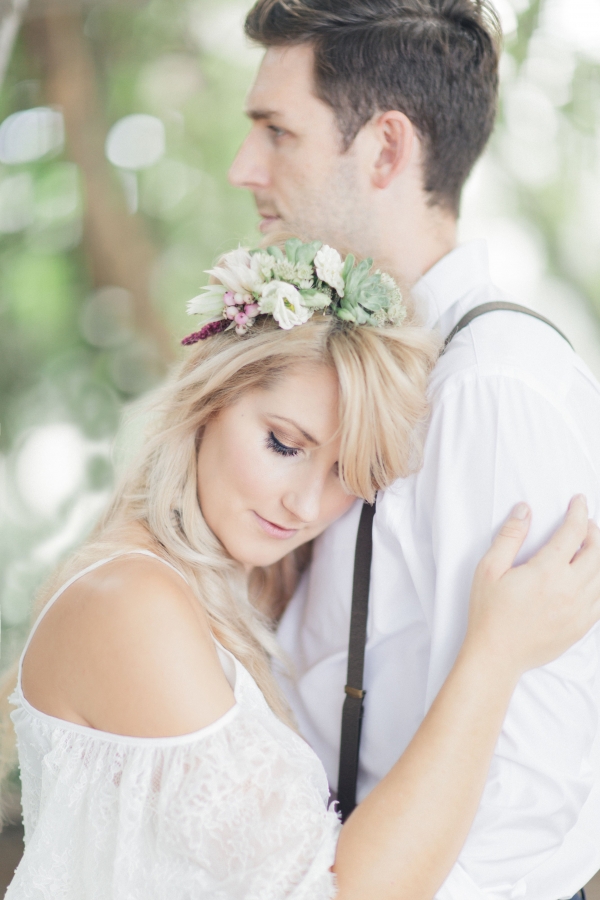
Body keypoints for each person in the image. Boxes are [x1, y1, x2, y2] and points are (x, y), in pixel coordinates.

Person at [4, 240, 600, 899]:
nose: (307, 504)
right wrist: (494, 653)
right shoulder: (128, 603)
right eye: (285, 444)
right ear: (209, 401)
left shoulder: (216, 595)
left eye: (345, 473)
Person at [228, 2, 600, 899]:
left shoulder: (487, 386)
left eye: (278, 132)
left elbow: (532, 794)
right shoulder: (374, 365)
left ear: (386, 150)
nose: (246, 169)